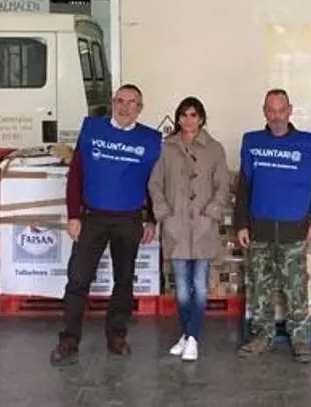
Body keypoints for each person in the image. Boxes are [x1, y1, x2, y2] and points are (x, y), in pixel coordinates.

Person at [50, 84, 161, 366]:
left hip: (129, 219)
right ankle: (69, 339)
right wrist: (73, 214)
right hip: (92, 217)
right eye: (119, 101)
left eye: (132, 102)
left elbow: (154, 183)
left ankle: (117, 336)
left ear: (140, 108)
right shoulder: (92, 129)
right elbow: (76, 174)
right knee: (78, 279)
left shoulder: (151, 140)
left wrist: (152, 218)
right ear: (112, 103)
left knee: (123, 281)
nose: (125, 107)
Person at [235, 89, 311, 364]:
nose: (276, 116)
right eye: (271, 110)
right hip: (259, 229)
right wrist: (241, 224)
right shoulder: (251, 142)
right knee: (260, 288)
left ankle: (300, 339)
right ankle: (261, 336)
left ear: (290, 110)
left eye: (281, 110)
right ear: (264, 111)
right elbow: (244, 187)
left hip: (293, 230)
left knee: (295, 287)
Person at [148, 97, 230, 362]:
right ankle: (188, 335)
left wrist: (212, 211)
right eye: (184, 115)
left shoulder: (215, 149)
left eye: (193, 115)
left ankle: (192, 337)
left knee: (200, 286)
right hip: (176, 226)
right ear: (178, 118)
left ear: (202, 118)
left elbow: (223, 185)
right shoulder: (166, 148)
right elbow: (155, 183)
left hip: (203, 226)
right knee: (182, 288)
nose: (188, 120)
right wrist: (163, 211)